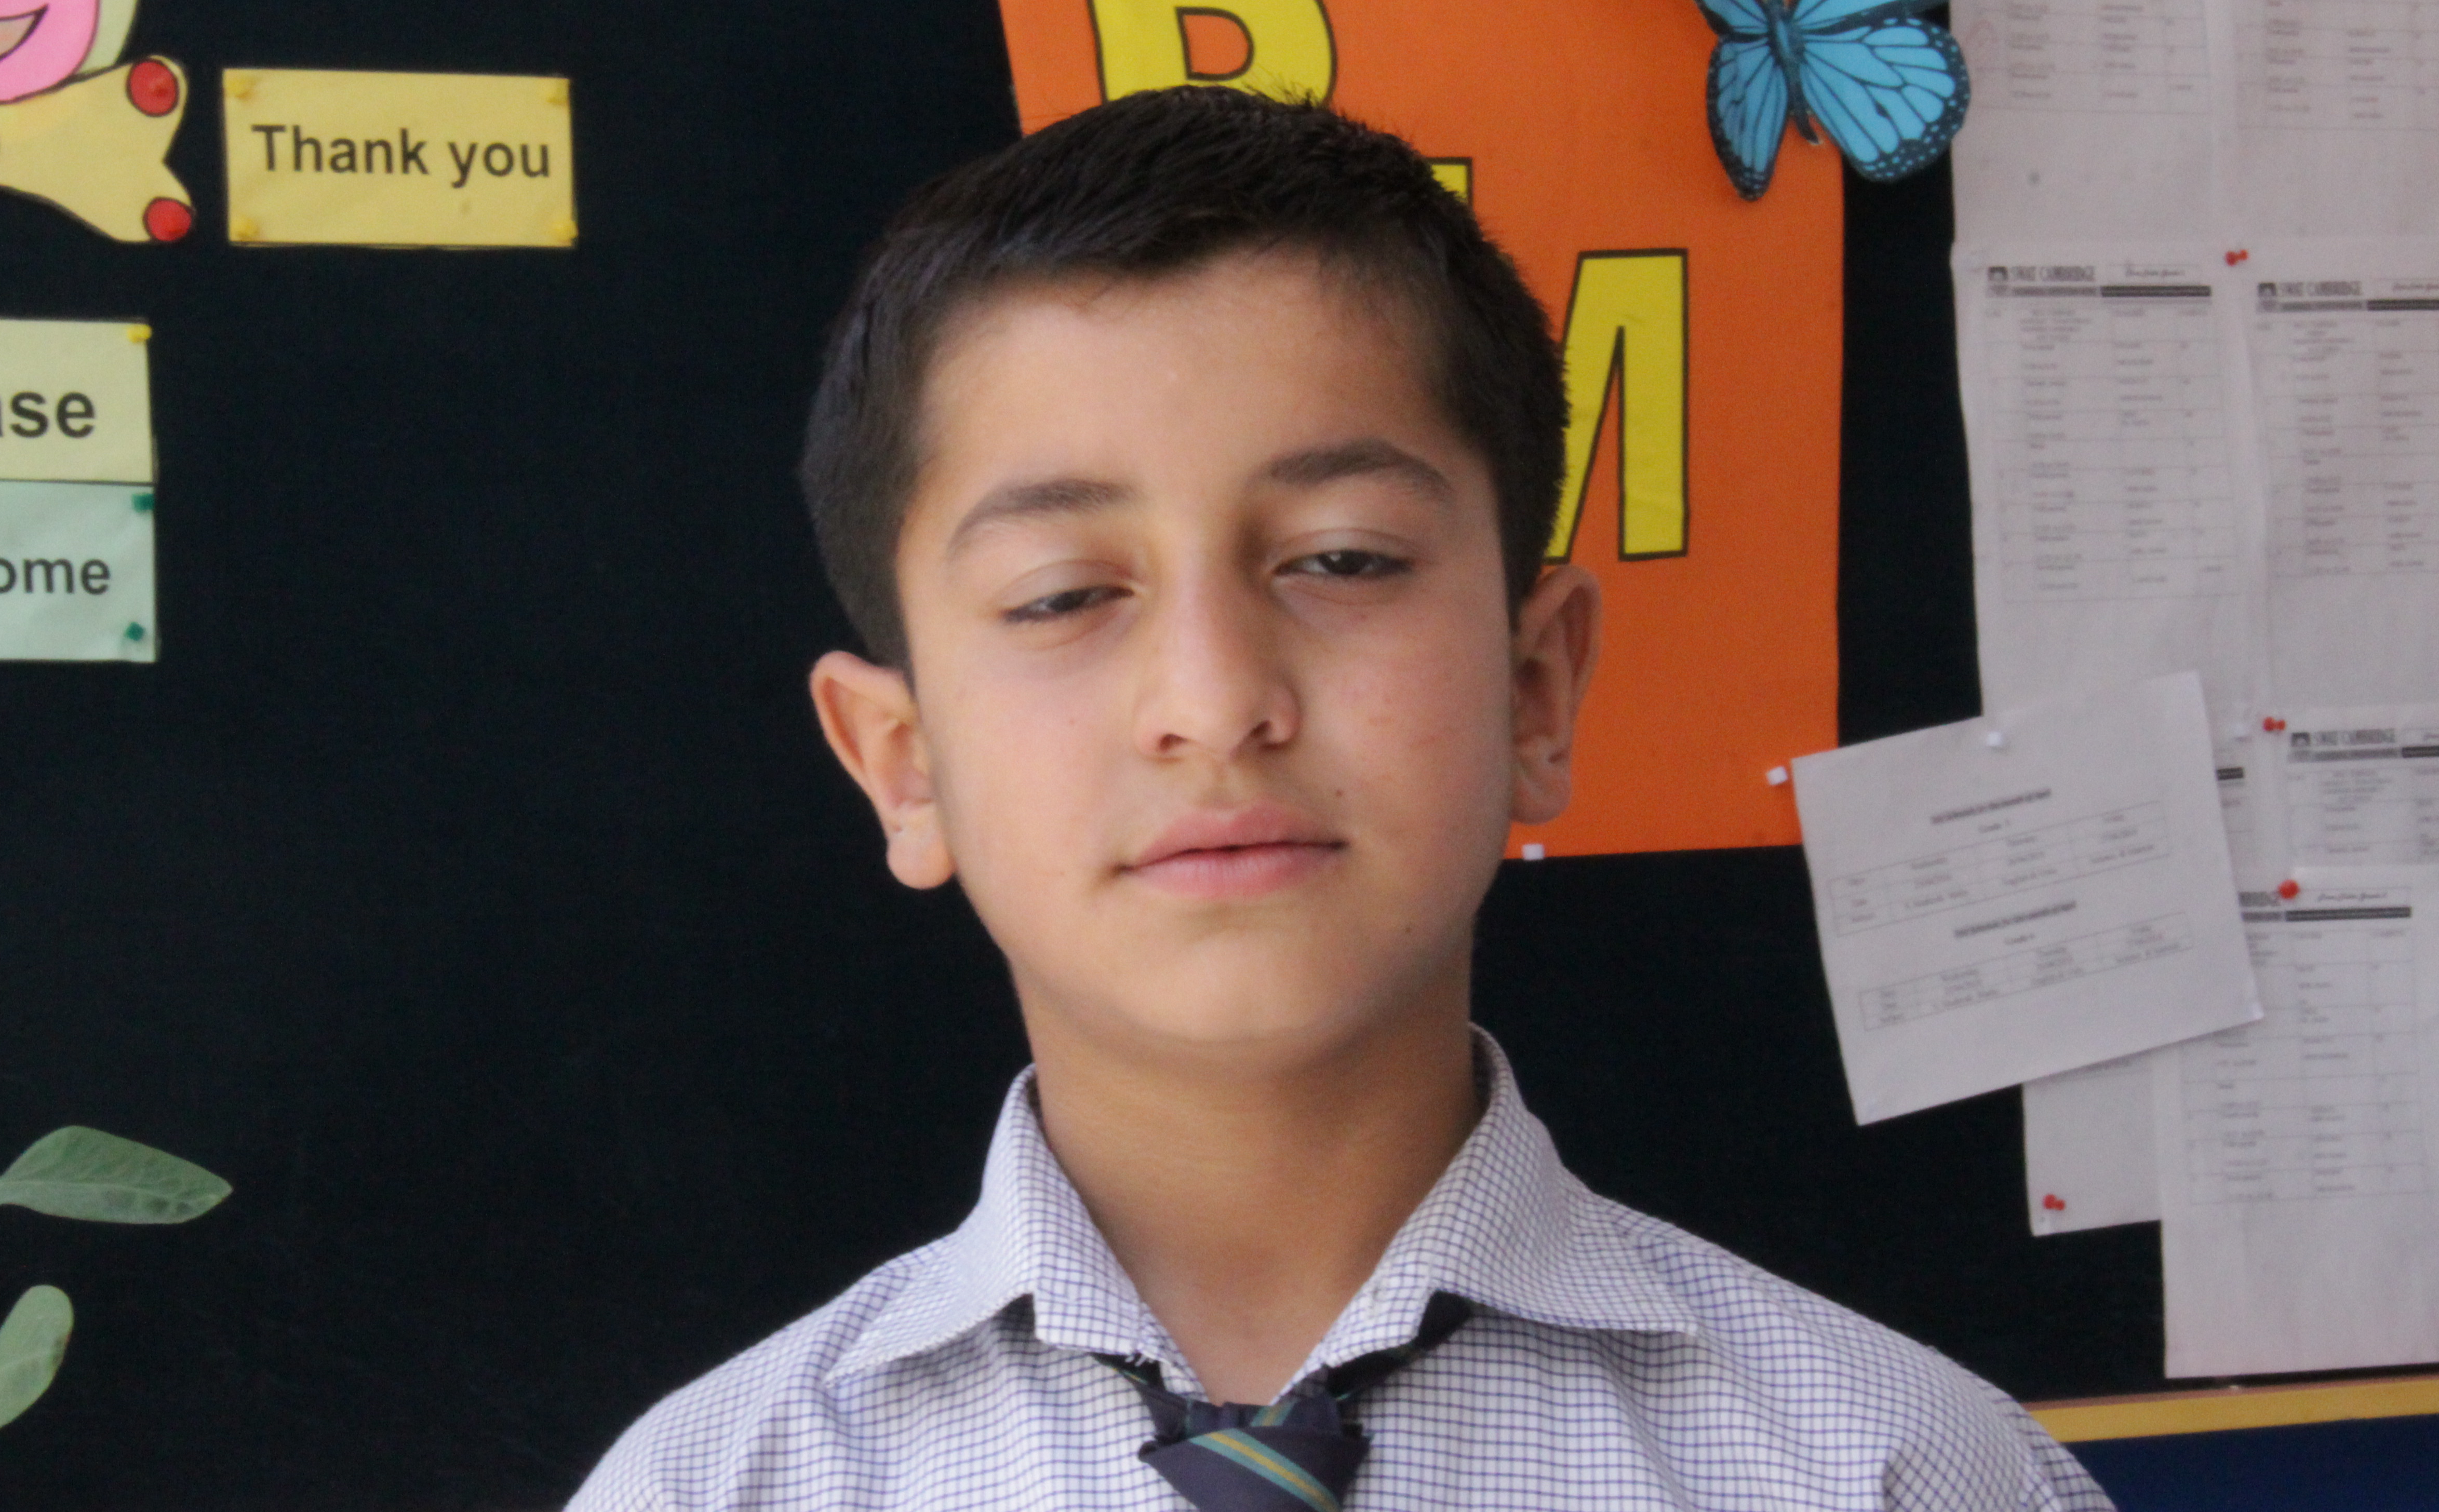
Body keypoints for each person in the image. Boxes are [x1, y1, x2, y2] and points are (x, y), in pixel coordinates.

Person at [568, 85, 2112, 1511]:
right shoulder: (714, 1491)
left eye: (1342, 559)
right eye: (1063, 595)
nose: (1213, 700)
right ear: (903, 763)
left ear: (1535, 689)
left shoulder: (1898, 1471)